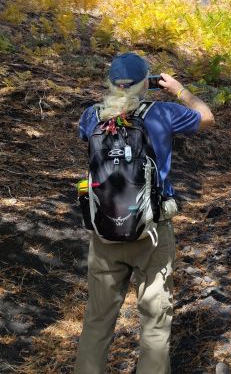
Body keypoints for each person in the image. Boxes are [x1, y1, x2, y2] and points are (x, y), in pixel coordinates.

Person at [74, 52, 215, 374]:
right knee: (154, 320)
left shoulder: (90, 117)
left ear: (110, 82)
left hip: (104, 230)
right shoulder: (162, 114)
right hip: (152, 230)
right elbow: (207, 117)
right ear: (146, 84)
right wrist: (180, 90)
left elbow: (88, 137)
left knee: (97, 320)